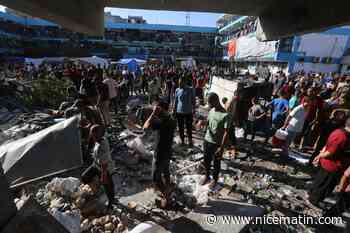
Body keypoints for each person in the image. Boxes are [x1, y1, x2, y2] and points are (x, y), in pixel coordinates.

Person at [309, 117, 350, 207]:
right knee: (325, 185)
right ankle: (315, 200)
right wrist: (320, 156)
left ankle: (312, 193)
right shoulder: (342, 136)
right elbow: (331, 151)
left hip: (332, 164)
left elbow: (327, 146)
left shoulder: (340, 132)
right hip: (332, 165)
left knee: (320, 180)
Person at [143, 99, 176, 194]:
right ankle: (168, 187)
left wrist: (153, 113)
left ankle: (167, 196)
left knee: (155, 178)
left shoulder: (161, 122)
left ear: (160, 109)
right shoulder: (171, 119)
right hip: (168, 151)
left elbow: (145, 127)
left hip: (160, 153)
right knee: (166, 170)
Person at [82, 125, 115, 208]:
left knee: (108, 186)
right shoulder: (97, 139)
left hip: (105, 168)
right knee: (85, 176)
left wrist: (103, 176)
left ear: (100, 134)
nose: (93, 137)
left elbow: (104, 163)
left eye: (94, 135)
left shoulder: (102, 145)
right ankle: (95, 189)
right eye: (92, 135)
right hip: (96, 164)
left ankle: (111, 202)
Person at [201, 93, 229, 188]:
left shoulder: (225, 115)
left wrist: (221, 148)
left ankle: (215, 179)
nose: (209, 105)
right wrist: (202, 123)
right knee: (206, 161)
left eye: (210, 103)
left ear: (216, 101)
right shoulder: (212, 110)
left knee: (216, 163)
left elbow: (226, 132)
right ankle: (207, 176)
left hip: (217, 144)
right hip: (207, 140)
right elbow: (208, 122)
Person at [174, 77, 195, 146]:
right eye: (178, 83)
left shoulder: (190, 89)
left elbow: (193, 100)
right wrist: (174, 111)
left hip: (188, 112)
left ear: (185, 82)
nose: (179, 84)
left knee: (189, 127)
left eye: (180, 83)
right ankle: (182, 140)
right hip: (179, 112)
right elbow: (176, 101)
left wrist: (194, 109)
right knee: (180, 127)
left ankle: (190, 141)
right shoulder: (177, 90)